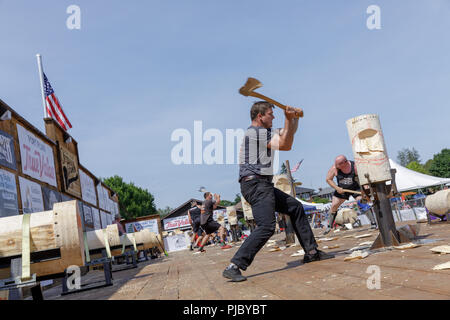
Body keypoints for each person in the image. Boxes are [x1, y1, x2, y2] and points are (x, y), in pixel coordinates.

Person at [222, 101, 334, 282]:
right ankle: (234, 266)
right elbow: (285, 145)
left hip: (263, 185)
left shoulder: (265, 132)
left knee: (295, 207)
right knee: (266, 226)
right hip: (255, 185)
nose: (273, 117)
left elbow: (288, 133)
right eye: (270, 114)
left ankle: (311, 252)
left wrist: (294, 118)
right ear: (260, 117)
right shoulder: (255, 132)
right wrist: (288, 118)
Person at [323, 155, 363, 235]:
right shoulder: (335, 168)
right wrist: (337, 188)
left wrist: (364, 190)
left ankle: (373, 223)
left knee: (361, 202)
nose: (336, 166)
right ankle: (329, 226)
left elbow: (362, 178)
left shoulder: (355, 167)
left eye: (338, 164)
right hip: (342, 189)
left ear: (344, 163)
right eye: (336, 164)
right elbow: (328, 179)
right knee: (334, 205)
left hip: (355, 188)